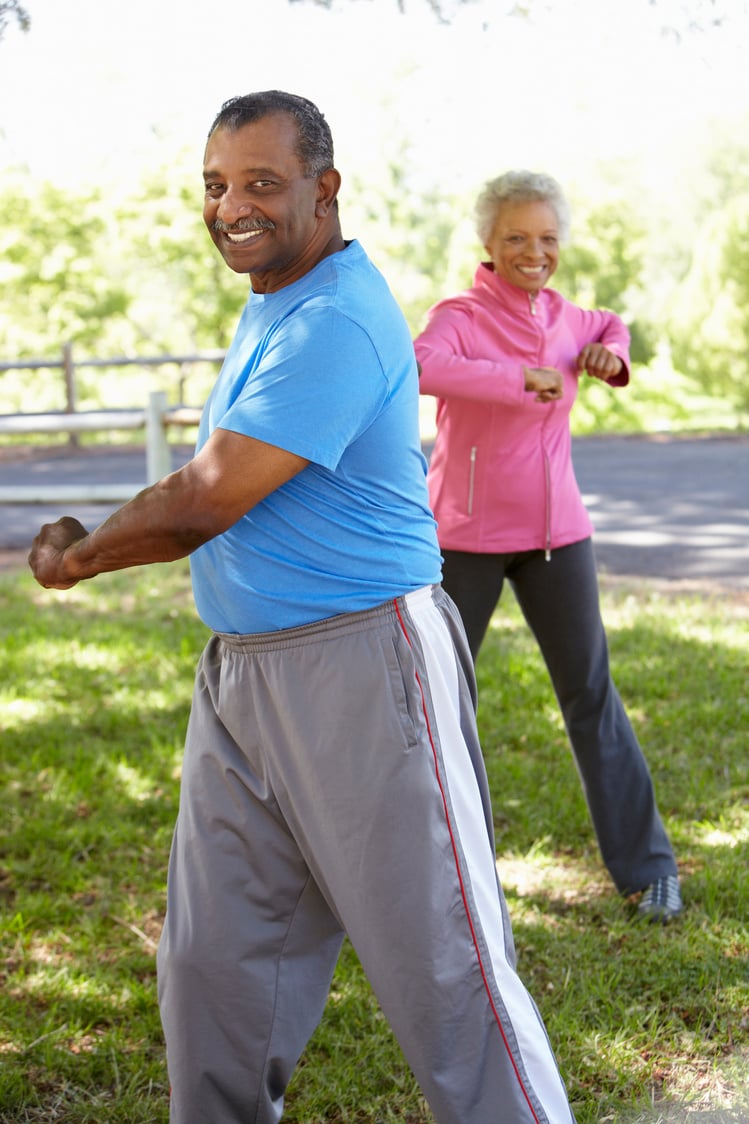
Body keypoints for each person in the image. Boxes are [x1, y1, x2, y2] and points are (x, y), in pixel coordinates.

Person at [28, 96, 575, 1124]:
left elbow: (204, 496)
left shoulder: (335, 316)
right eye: (216, 184)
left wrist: (75, 557)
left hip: (363, 667)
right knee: (213, 970)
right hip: (243, 673)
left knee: (444, 971)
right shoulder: (273, 302)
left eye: (261, 183)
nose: (232, 205)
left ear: (325, 189)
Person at [414, 170, 682, 925]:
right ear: (488, 245)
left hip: (557, 535)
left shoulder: (568, 316)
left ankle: (647, 870)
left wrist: (609, 355)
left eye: (547, 239)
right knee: (438, 703)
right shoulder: (460, 314)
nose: (534, 253)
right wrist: (510, 378)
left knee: (590, 695)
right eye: (516, 239)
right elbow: (421, 364)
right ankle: (439, 876)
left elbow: (608, 328)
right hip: (463, 538)